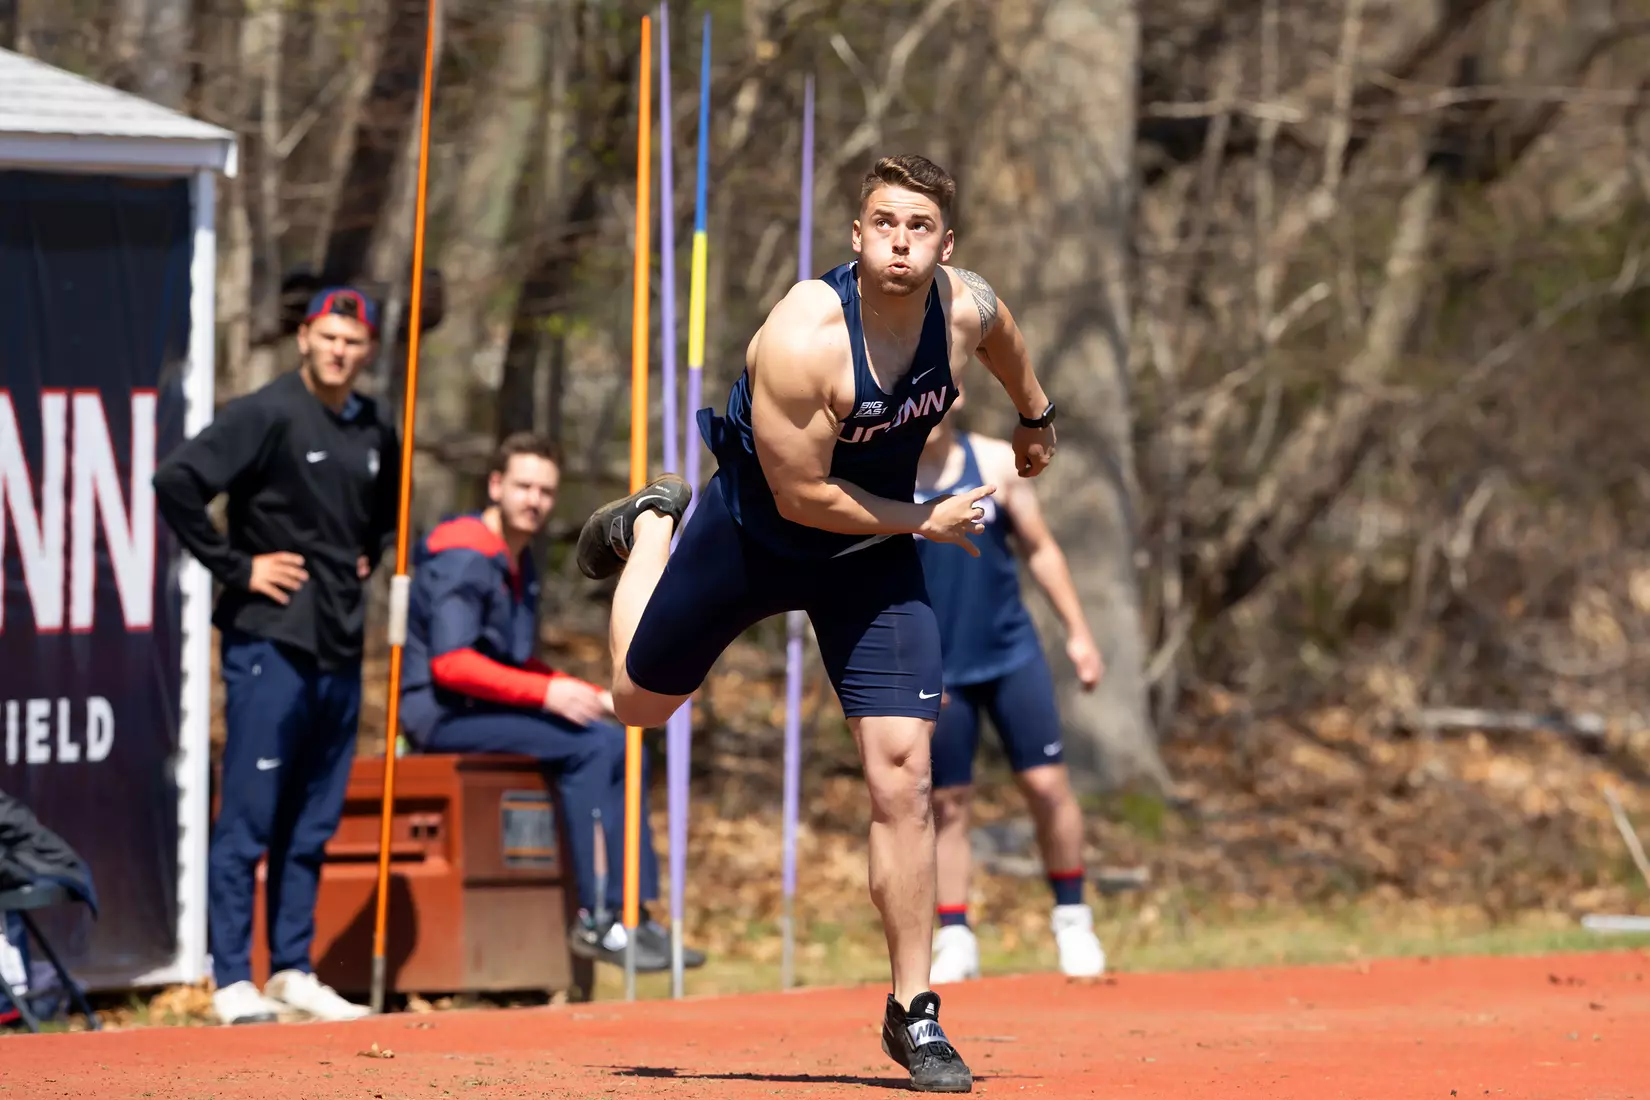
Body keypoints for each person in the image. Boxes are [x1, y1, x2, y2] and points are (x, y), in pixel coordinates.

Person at [574, 154, 1057, 1094]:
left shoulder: (961, 304)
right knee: (635, 704)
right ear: (857, 233)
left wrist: (1037, 414)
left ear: (944, 245)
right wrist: (924, 516)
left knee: (905, 770)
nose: (901, 244)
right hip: (761, 534)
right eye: (885, 224)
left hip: (867, 559)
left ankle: (914, 1012)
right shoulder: (804, 336)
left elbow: (999, 328)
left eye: (919, 228)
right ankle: (650, 526)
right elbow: (803, 498)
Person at [153, 287, 399, 1026]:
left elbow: (383, 519)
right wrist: (238, 567)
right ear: (303, 337)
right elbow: (178, 482)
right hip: (271, 641)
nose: (339, 351)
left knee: (313, 818)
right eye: (327, 338)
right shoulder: (266, 411)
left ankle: (292, 967)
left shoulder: (374, 423)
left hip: (340, 643)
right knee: (252, 814)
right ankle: (232, 976)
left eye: (352, 342)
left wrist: (369, 556)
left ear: (368, 351)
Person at [397, 432, 707, 973]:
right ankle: (598, 916)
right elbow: (453, 663)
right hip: (441, 715)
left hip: (485, 708)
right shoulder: (465, 555)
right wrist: (546, 693)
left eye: (545, 490)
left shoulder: (519, 561)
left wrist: (587, 692)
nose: (534, 500)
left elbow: (511, 660)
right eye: (522, 486)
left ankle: (634, 911)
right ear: (495, 486)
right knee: (595, 748)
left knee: (621, 742)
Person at [911, 388, 1107, 984]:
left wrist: (1078, 632)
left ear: (957, 398)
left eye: (937, 396)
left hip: (1009, 652)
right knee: (948, 803)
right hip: (938, 666)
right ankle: (955, 933)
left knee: (1047, 786)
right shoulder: (884, 482)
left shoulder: (995, 462)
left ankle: (1073, 918)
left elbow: (1042, 549)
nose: (928, 410)